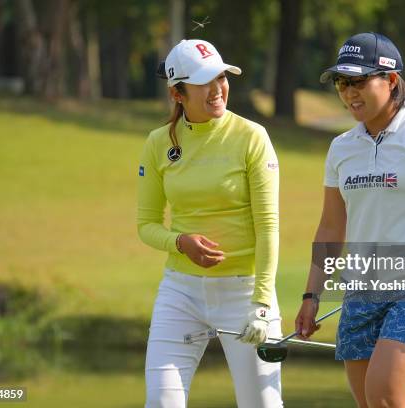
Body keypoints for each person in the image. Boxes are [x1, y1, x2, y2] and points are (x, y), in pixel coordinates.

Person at [295, 32, 405, 408]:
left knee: (386, 397)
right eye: (343, 83)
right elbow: (330, 227)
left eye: (359, 82)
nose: (349, 93)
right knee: (369, 404)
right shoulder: (341, 147)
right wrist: (312, 295)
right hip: (360, 291)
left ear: (391, 81)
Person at [137, 39, 283, 408]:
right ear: (177, 93)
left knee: (261, 405)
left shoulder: (252, 137)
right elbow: (147, 224)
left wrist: (262, 304)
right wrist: (180, 242)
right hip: (181, 292)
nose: (218, 88)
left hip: (245, 292)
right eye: (204, 81)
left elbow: (268, 225)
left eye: (221, 76)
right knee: (161, 402)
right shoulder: (158, 144)